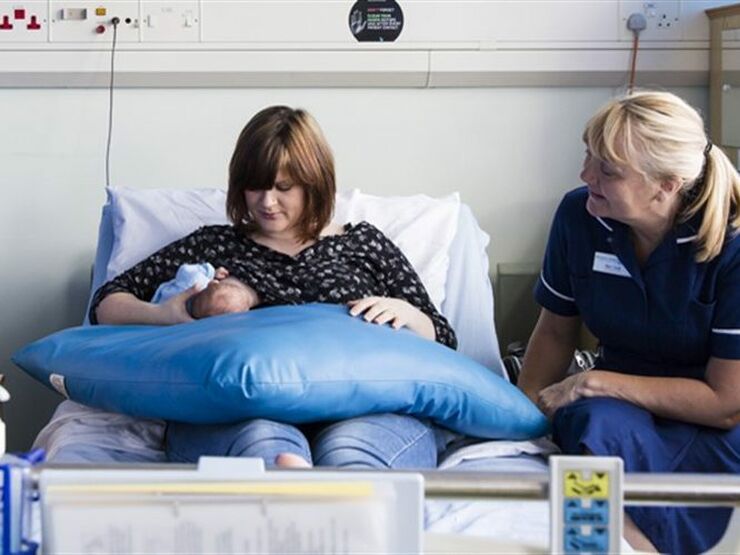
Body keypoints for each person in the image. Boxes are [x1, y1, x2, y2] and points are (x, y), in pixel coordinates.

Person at [90, 105, 457, 470]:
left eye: (283, 187)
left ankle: (337, 503)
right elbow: (107, 303)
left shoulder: (364, 245)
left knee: (352, 456)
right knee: (264, 449)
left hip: (367, 409)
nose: (266, 202)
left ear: (314, 182)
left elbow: (442, 338)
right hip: (242, 412)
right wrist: (164, 314)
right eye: (255, 187)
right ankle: (290, 495)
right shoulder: (215, 245)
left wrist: (406, 313)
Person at [517, 91, 740, 554]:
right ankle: (604, 545)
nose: (585, 176)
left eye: (608, 170)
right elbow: (557, 329)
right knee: (590, 425)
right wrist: (520, 418)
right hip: (617, 410)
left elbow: (726, 404)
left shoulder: (732, 247)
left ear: (667, 184)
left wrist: (597, 381)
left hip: (714, 418)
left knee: (597, 414)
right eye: (588, 157)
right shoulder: (579, 217)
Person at [151, 262, 261, 318]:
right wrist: (210, 272)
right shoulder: (195, 281)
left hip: (158, 305)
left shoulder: (199, 280)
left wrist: (212, 272)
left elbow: (185, 269)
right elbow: (185, 270)